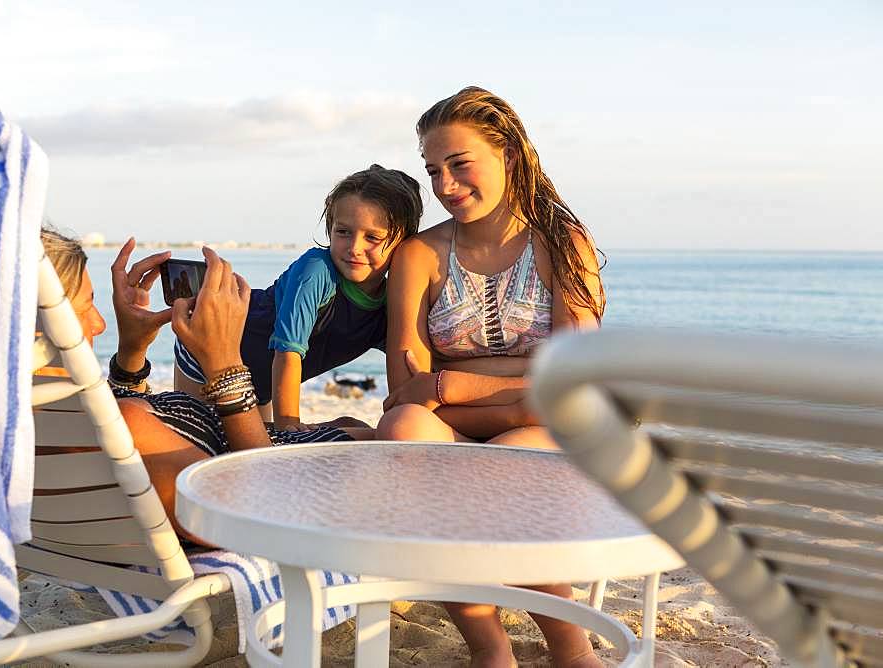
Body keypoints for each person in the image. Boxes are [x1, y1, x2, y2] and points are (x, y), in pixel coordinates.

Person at [376, 87, 605, 667]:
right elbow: (404, 392)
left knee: (496, 468)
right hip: (487, 430)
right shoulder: (419, 257)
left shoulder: (563, 245)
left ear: (508, 154)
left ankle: (569, 647)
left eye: (459, 164)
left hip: (551, 438)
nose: (445, 186)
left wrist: (458, 386)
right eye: (433, 171)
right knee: (404, 430)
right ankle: (490, 648)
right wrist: (518, 397)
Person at [37, 228, 357, 541]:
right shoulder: (119, 427)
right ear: (37, 328)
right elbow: (251, 512)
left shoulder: (46, 418)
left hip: (278, 453)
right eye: (85, 306)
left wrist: (132, 350)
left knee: (352, 424)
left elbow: (111, 425)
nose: (100, 322)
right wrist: (224, 363)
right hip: (301, 481)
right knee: (386, 435)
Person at [173, 164, 423, 430]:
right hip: (209, 357)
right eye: (343, 232)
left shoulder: (390, 302)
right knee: (198, 439)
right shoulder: (317, 270)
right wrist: (289, 426)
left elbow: (409, 356)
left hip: (263, 384)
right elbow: (288, 352)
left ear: (404, 243)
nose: (354, 248)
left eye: (372, 237)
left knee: (249, 458)